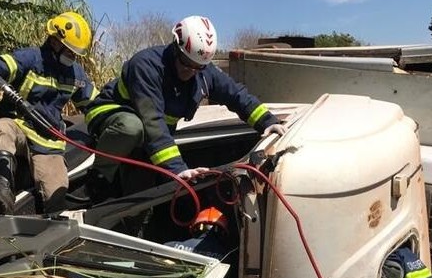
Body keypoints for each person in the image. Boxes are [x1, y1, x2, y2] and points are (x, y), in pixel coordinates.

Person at [84, 15, 285, 199]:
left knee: (143, 196)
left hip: (149, 135)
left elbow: (236, 95)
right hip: (112, 115)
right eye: (186, 63)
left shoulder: (204, 73)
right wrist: (177, 170)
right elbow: (152, 121)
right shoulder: (146, 66)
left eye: (197, 67)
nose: (190, 71)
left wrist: (267, 122)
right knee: (131, 127)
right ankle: (100, 177)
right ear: (176, 47)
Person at [0, 12, 98, 214]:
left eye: (75, 54)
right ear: (55, 41)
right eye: (70, 51)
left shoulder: (76, 74)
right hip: (18, 125)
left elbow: (95, 102)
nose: (72, 57)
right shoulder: (30, 58)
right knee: (2, 128)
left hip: (48, 141)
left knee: (56, 195)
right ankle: (2, 190)